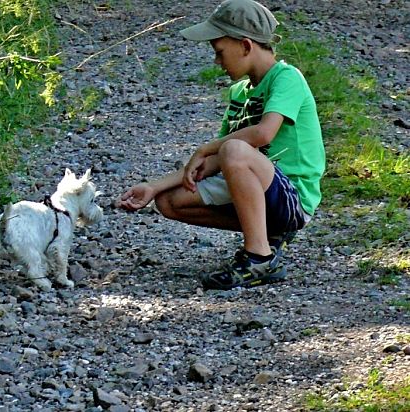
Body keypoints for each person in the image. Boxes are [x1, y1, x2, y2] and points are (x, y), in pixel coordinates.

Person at [117, 0, 325, 290]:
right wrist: (154, 186)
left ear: (245, 45)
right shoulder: (239, 91)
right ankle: (267, 237)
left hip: (292, 199)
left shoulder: (287, 78)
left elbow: (263, 134)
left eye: (219, 52)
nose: (217, 62)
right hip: (255, 185)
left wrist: (206, 148)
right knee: (168, 201)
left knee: (234, 149)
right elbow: (220, 161)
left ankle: (258, 257)